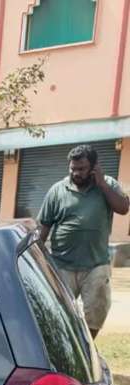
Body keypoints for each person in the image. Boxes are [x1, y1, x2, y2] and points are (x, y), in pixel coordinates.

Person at [37, 143, 129, 338]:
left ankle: (88, 347)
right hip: (61, 265)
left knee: (96, 313)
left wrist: (102, 184)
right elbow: (43, 227)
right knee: (58, 314)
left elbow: (123, 208)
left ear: (94, 168)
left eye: (81, 169)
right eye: (72, 168)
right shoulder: (57, 190)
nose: (76, 173)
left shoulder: (108, 185)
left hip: (96, 265)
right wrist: (37, 259)